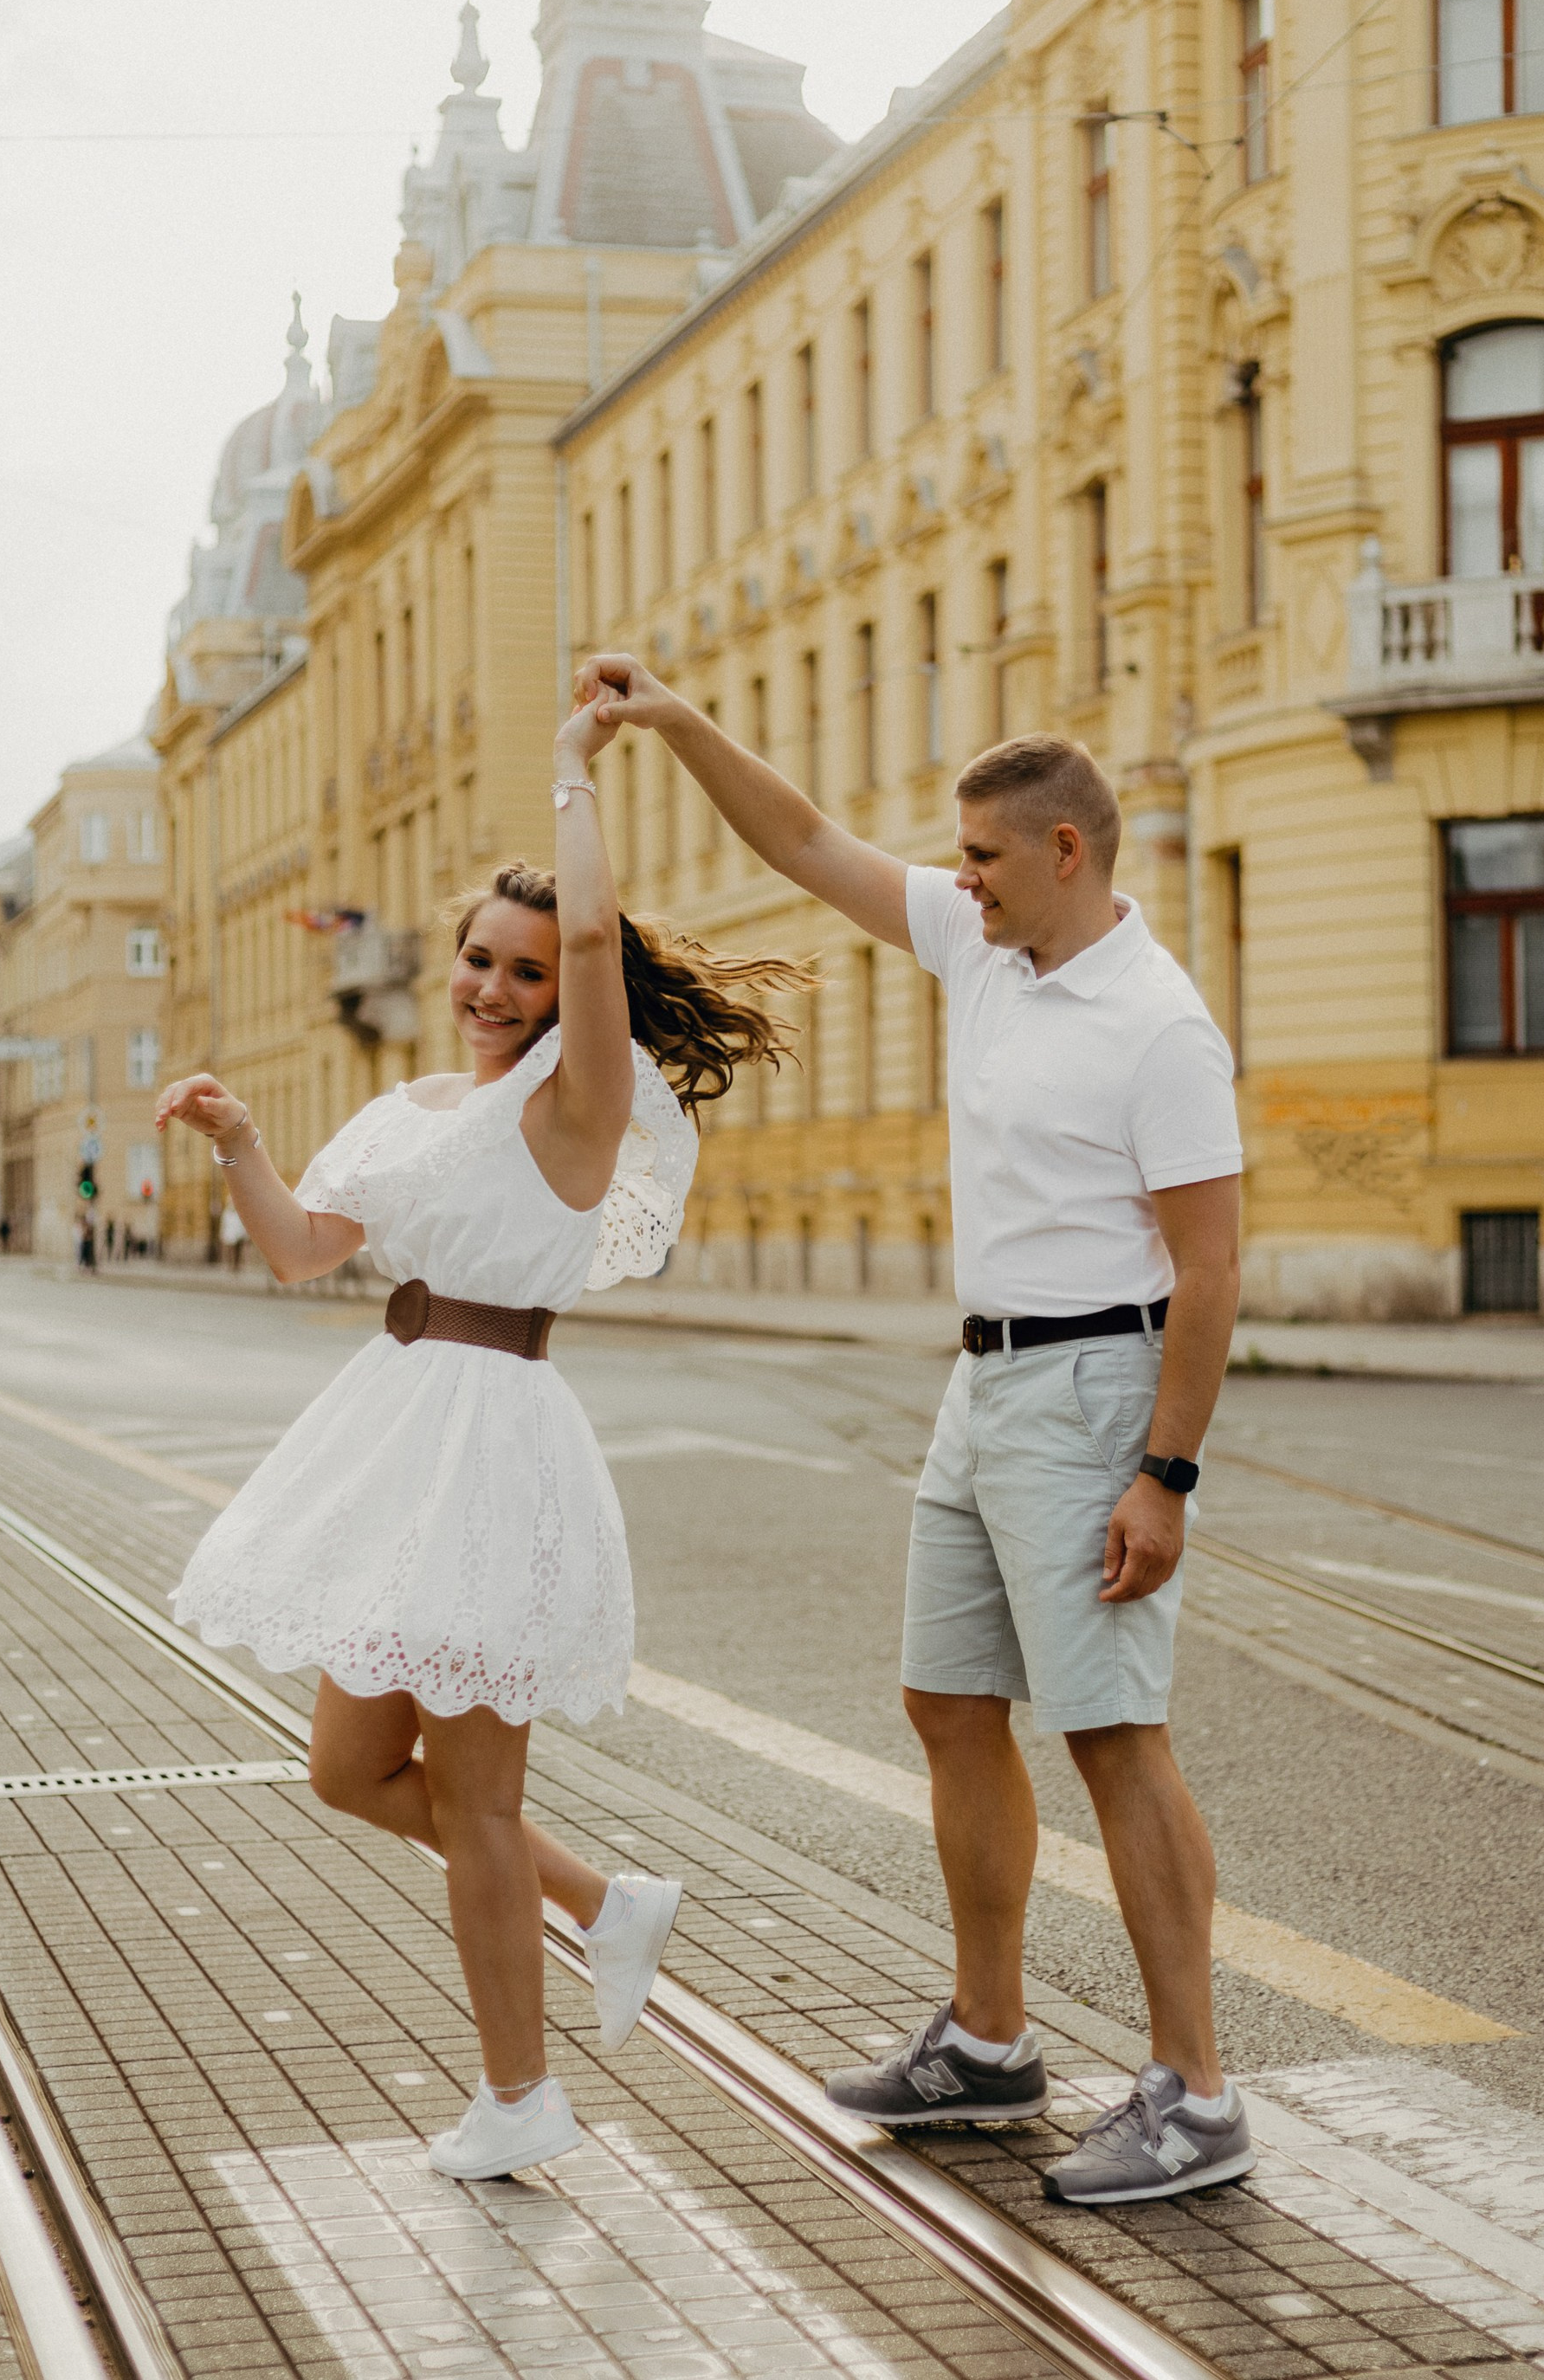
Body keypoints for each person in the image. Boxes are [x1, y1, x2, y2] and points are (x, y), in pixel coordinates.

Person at [575, 654, 1250, 2207]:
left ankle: (1196, 2093)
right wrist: (676, 725)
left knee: (1113, 1737)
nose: (962, 882)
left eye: (987, 857)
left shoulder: (1157, 1026)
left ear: (1065, 852)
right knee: (947, 1699)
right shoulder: (988, 952)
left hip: (1092, 1389)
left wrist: (1165, 1473)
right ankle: (993, 2042)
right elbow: (806, 840)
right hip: (982, 1384)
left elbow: (1211, 1272)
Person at [155, 685, 811, 2183]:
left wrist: (572, 767)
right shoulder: (411, 1108)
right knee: (344, 1768)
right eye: (477, 960)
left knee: (479, 1803)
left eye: (524, 968)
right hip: (396, 1435)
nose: (494, 987)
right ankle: (606, 1903)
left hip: (493, 1441)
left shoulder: (576, 1106)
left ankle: (519, 2099)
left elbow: (592, 945)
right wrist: (241, 1142)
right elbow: (305, 1253)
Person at [218, 1201, 248, 1271]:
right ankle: (230, 1265)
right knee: (230, 1251)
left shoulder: (239, 1213)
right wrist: (222, 1234)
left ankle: (236, 1265)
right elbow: (224, 1224)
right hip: (229, 1234)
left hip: (238, 1234)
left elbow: (242, 1225)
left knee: (238, 1251)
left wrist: (244, 1234)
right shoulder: (227, 1213)